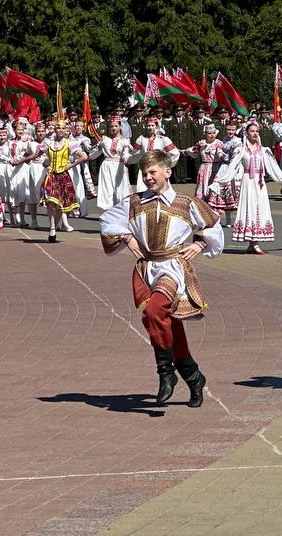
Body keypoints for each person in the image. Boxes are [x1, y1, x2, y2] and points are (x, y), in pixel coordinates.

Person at [100, 149, 223, 407]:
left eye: (152, 172)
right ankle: (193, 376)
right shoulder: (134, 202)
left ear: (167, 172)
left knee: (154, 312)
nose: (147, 177)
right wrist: (126, 236)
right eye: (144, 173)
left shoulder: (184, 202)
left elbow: (212, 224)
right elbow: (108, 220)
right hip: (148, 268)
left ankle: (166, 374)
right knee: (168, 323)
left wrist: (200, 245)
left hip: (173, 267)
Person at [211, 120, 282, 254]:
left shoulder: (264, 151)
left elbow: (273, 169)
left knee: (260, 209)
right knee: (249, 209)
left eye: (256, 131)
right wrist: (219, 182)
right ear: (246, 134)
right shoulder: (241, 151)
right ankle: (252, 243)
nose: (255, 133)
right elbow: (231, 168)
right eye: (252, 131)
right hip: (248, 182)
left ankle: (254, 243)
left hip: (260, 183)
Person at [40, 119, 87, 243]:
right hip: (51, 175)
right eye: (58, 128)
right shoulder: (48, 142)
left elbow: (84, 157)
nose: (60, 130)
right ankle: (52, 229)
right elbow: (37, 154)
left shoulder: (69, 143)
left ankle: (56, 226)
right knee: (50, 202)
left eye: (63, 128)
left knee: (61, 204)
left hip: (62, 175)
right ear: (54, 129)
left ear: (66, 129)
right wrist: (22, 160)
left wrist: (70, 165)